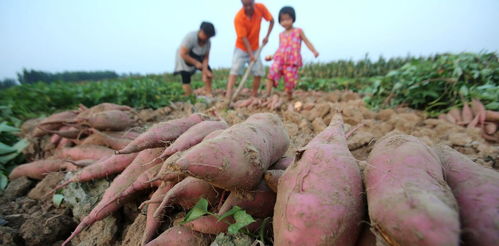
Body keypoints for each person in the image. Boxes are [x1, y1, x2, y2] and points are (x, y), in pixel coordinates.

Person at [264, 6, 319, 100]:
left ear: (293, 18)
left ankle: (289, 97)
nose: (285, 22)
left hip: (292, 61)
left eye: (288, 19)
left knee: (290, 82)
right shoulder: (281, 34)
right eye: (282, 20)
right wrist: (272, 56)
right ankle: (267, 94)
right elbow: (280, 48)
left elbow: (307, 42)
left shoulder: (298, 31)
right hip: (280, 59)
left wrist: (314, 51)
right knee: (272, 72)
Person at [225, 0, 274, 100]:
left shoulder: (260, 8)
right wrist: (251, 54)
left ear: (253, 2)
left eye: (250, 4)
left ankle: (254, 95)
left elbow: (271, 20)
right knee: (235, 70)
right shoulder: (238, 18)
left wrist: (267, 36)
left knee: (258, 71)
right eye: (245, 5)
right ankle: (228, 95)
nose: (248, 7)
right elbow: (244, 38)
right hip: (241, 48)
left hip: (255, 47)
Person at [174, 21, 216, 97]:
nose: (207, 38)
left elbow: (206, 57)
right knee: (185, 75)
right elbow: (183, 53)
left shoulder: (208, 42)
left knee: (209, 72)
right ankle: (188, 95)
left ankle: (208, 92)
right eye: (206, 35)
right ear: (201, 31)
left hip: (197, 55)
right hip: (184, 56)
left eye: (209, 37)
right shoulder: (190, 37)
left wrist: (205, 71)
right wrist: (196, 63)